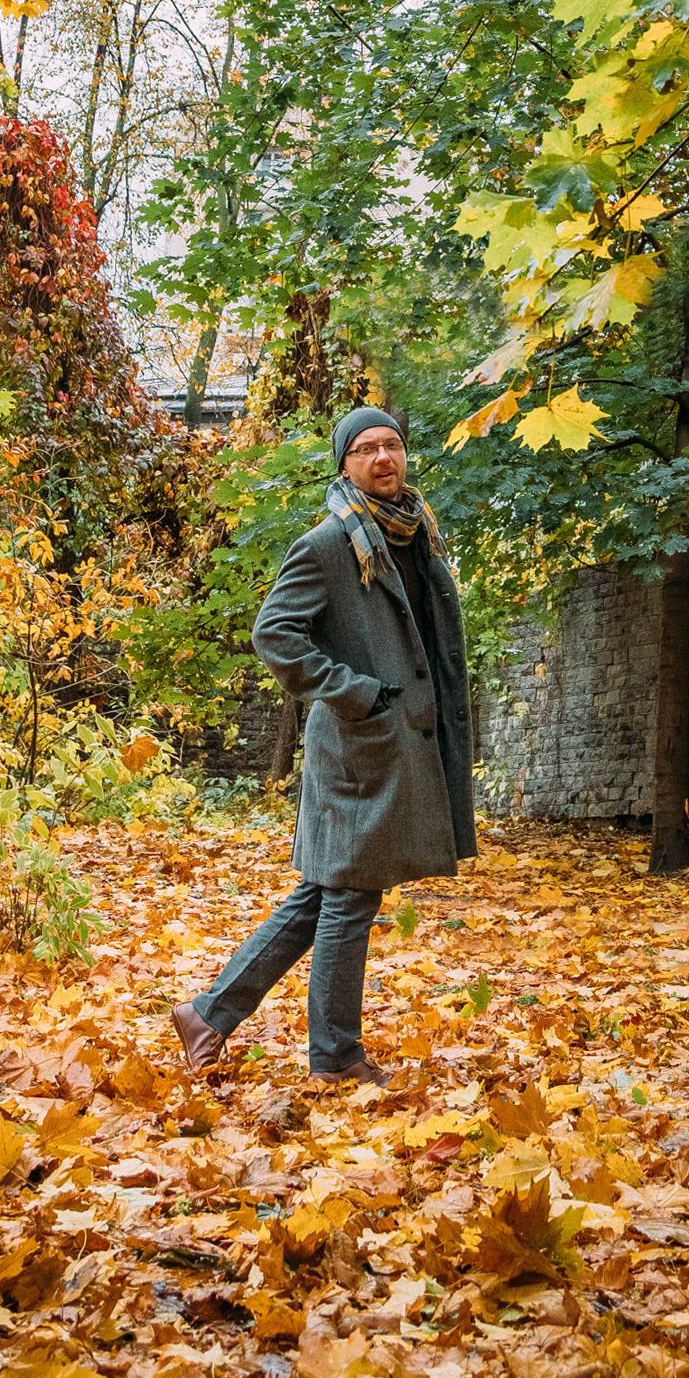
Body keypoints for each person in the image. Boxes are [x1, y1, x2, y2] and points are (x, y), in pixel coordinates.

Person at [170, 407, 476, 1086]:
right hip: (357, 744)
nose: (382, 457)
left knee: (330, 890)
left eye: (392, 444)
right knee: (348, 895)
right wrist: (357, 693)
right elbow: (275, 633)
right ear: (344, 464)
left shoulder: (415, 534)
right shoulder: (329, 543)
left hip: (397, 740)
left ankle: (209, 1012)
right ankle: (336, 1057)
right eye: (365, 448)